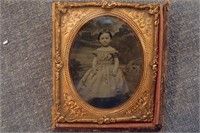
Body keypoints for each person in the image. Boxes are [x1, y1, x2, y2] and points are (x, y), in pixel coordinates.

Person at [77, 31, 130, 108]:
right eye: (102, 38)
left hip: (110, 69)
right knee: (96, 83)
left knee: (111, 84)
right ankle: (98, 98)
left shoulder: (112, 50)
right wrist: (94, 68)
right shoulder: (98, 50)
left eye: (107, 38)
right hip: (99, 68)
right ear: (99, 40)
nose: (105, 40)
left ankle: (110, 98)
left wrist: (115, 70)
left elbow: (116, 61)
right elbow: (95, 60)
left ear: (110, 39)